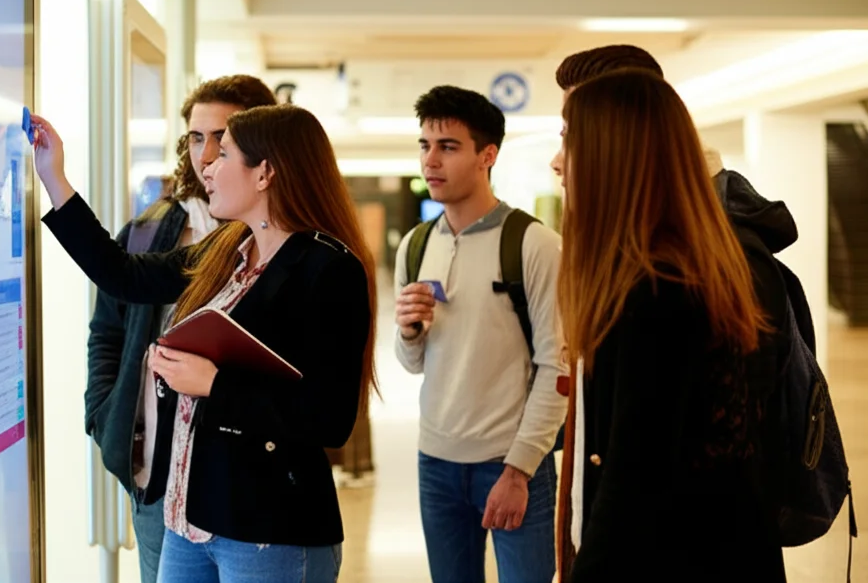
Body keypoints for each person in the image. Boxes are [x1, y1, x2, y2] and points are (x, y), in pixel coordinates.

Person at [32, 104, 376, 583]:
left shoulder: (329, 269)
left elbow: (329, 419)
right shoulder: (227, 250)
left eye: (225, 153)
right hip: (188, 517)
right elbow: (123, 275)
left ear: (265, 173)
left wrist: (214, 383)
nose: (207, 166)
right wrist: (54, 178)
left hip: (268, 528)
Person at [553, 69, 787, 583]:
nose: (557, 161)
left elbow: (634, 478)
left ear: (614, 156)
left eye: (570, 140)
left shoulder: (657, 290)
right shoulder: (693, 265)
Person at [84, 75, 276, 583]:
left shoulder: (280, 243)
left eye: (223, 138)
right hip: (159, 470)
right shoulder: (151, 230)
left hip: (248, 473)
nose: (207, 153)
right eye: (196, 137)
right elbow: (108, 328)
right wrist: (105, 415)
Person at [394, 85, 566, 583]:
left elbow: (558, 365)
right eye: (425, 145)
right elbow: (413, 363)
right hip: (436, 463)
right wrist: (408, 332)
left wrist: (518, 471)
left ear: (487, 155)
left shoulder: (533, 244)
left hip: (513, 465)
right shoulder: (416, 243)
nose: (431, 160)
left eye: (448, 147)